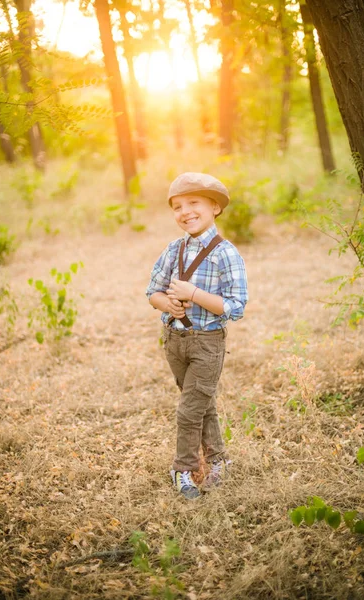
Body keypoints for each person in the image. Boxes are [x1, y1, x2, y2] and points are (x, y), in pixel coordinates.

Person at [146, 172, 248, 499]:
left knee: (188, 409)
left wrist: (194, 293)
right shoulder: (173, 249)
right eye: (177, 206)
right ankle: (218, 459)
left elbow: (235, 306)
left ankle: (183, 469)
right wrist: (170, 305)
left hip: (207, 342)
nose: (185, 211)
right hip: (174, 341)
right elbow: (153, 292)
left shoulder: (225, 253)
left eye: (194, 203)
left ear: (215, 207)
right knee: (202, 403)